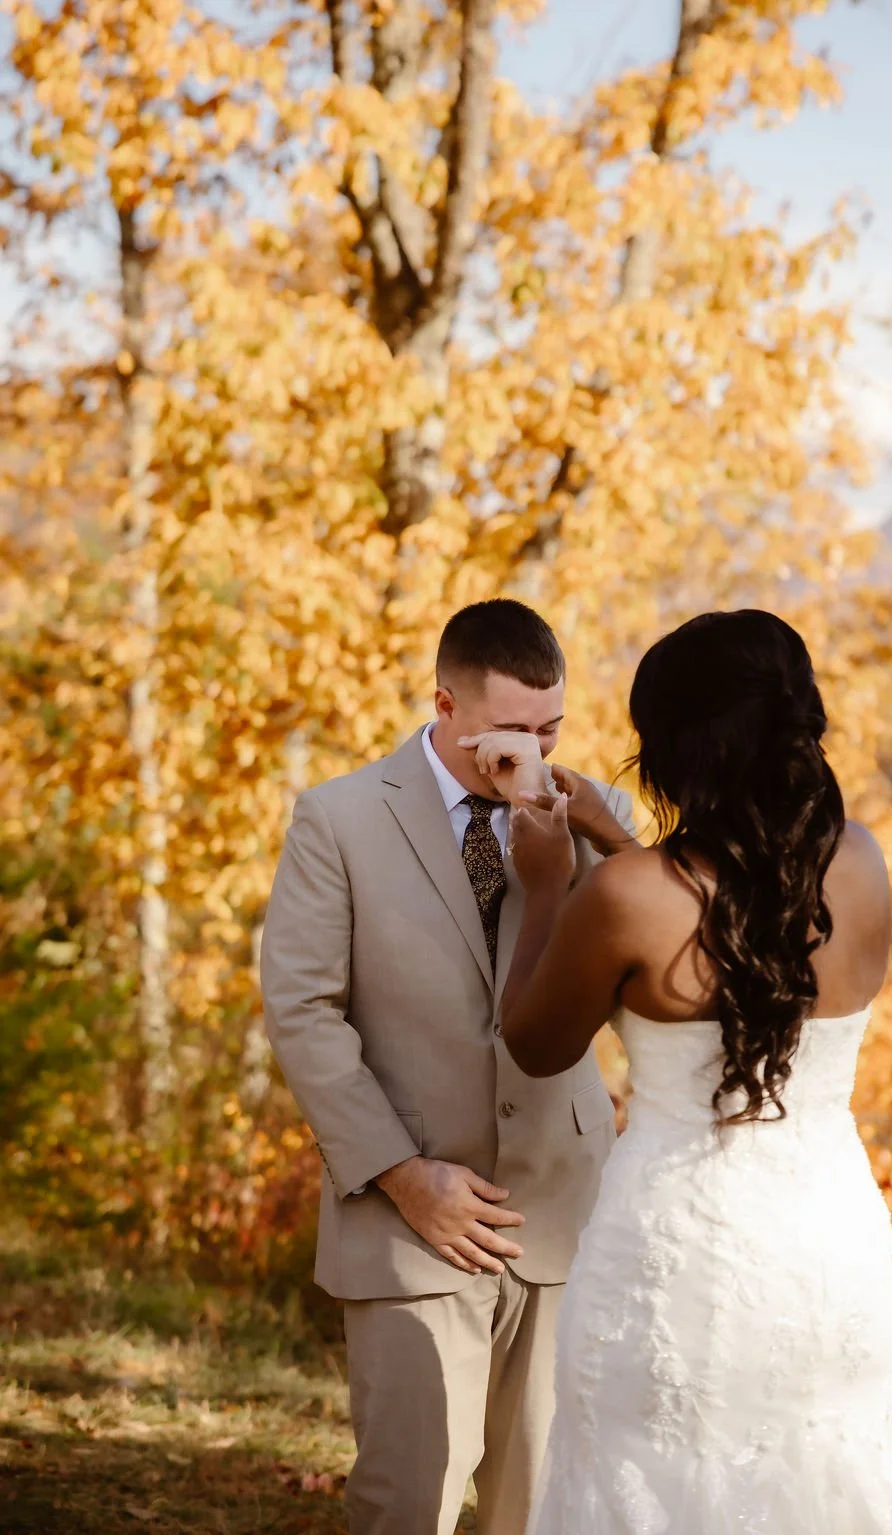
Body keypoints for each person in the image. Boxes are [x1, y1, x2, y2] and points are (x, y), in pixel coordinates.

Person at [501, 610, 892, 1535]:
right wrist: (617, 849)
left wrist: (546, 889)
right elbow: (739, 915)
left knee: (653, 1477)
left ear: (677, 750)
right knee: (817, 1467)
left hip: (674, 1256)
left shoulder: (618, 898)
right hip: (826, 1241)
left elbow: (534, 1044)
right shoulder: (859, 862)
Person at [259, 599, 633, 1535]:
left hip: (560, 1212)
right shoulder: (337, 817)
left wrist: (582, 835)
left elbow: (668, 958)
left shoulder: (597, 816)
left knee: (543, 1506)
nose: (535, 752)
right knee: (405, 1501)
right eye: (511, 732)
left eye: (552, 728)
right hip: (407, 1218)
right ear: (446, 704)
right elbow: (303, 1011)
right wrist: (401, 1174)